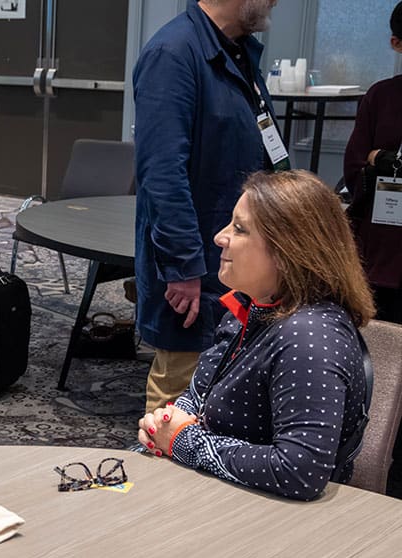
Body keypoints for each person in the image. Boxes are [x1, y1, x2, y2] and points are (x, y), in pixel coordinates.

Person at [137, 170, 375, 501]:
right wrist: (165, 423)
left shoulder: (309, 336)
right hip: (216, 492)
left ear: (287, 250)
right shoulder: (253, 308)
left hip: (267, 517)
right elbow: (199, 394)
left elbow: (300, 471)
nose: (219, 237)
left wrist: (183, 440)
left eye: (239, 229)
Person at [133, 0, 284, 415]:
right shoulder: (173, 54)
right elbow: (162, 175)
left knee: (223, 386)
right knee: (179, 393)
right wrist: (183, 267)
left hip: (236, 258)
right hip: (197, 266)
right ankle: (160, 458)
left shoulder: (238, 51)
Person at [344, 1, 402, 325]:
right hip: (381, 238)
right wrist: (379, 162)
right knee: (377, 331)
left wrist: (379, 157)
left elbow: (368, 157)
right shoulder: (380, 96)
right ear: (396, 43)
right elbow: (354, 165)